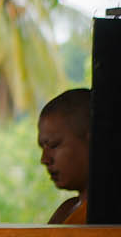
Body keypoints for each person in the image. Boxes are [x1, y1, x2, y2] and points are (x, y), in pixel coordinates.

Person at [38, 88, 91, 225]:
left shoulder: (108, 214)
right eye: (42, 147)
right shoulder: (66, 209)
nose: (45, 159)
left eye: (53, 145)